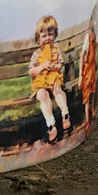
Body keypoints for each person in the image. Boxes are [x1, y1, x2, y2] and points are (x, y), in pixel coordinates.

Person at [28, 14, 71, 142]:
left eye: (50, 34)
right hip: (41, 82)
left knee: (57, 89)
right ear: (38, 40)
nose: (47, 38)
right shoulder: (36, 54)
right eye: (44, 36)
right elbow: (31, 71)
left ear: (55, 36)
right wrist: (41, 67)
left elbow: (59, 66)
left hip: (53, 79)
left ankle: (65, 114)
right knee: (42, 95)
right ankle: (51, 124)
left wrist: (53, 66)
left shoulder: (56, 51)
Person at [79, 21, 98, 135]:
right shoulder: (88, 38)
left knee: (92, 91)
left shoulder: (94, 38)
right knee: (86, 95)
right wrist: (81, 75)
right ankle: (87, 121)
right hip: (87, 71)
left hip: (92, 70)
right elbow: (82, 55)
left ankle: (92, 111)